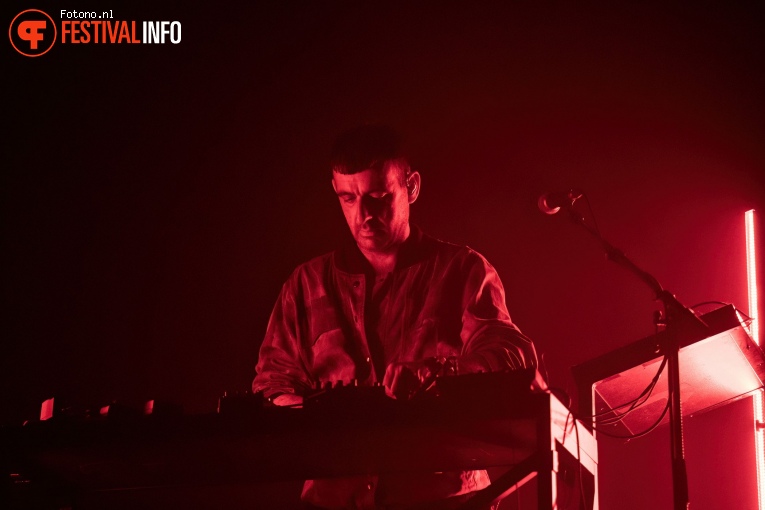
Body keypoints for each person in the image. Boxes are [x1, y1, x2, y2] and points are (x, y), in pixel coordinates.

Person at [253, 125, 537, 510]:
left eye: (378, 197)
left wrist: (437, 372)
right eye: (347, 198)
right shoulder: (305, 284)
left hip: (443, 500)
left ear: (412, 187)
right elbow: (271, 384)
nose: (363, 214)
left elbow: (512, 355)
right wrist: (311, 409)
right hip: (332, 501)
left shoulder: (462, 270)